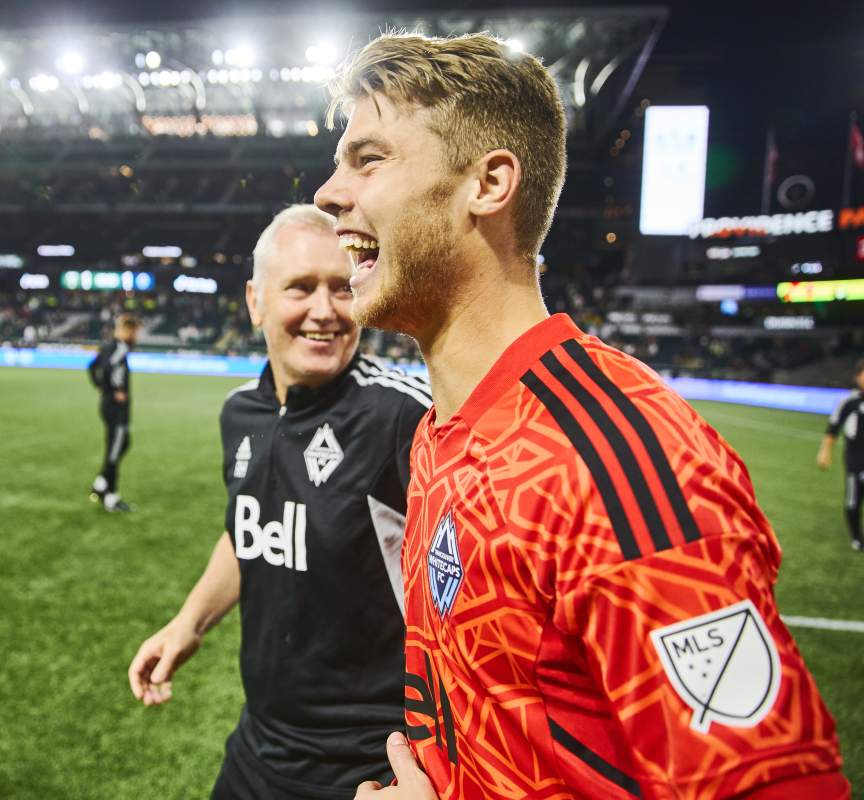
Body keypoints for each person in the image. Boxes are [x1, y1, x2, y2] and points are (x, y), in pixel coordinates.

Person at [313, 32, 848, 800]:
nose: (329, 191)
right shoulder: (443, 432)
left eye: (368, 159)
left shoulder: (608, 463)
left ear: (488, 183)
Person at [127, 205, 431, 799]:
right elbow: (250, 529)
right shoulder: (241, 412)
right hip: (259, 746)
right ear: (255, 300)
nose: (324, 310)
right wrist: (188, 624)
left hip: (366, 768)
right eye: (300, 287)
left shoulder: (401, 415)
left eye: (342, 288)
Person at [87, 313, 140, 513]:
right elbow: (111, 368)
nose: (136, 336)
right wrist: (116, 389)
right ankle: (111, 496)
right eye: (135, 332)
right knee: (116, 448)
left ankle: (101, 484)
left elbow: (92, 367)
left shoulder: (109, 346)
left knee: (119, 445)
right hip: (116, 408)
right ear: (128, 330)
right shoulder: (119, 348)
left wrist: (100, 386)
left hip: (108, 405)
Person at [817, 359, 864, 551]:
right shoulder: (849, 401)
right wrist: (825, 451)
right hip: (856, 458)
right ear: (857, 376)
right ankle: (856, 538)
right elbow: (833, 428)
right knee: (854, 498)